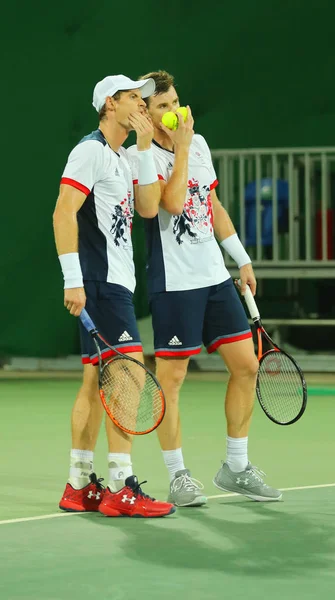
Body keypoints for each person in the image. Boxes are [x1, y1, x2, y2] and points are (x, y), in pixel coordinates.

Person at [127, 70, 282, 507]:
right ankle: (178, 476)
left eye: (175, 101)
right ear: (146, 113)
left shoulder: (200, 144)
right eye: (162, 106)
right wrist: (179, 151)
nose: (174, 111)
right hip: (174, 284)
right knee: (172, 381)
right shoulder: (141, 157)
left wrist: (241, 257)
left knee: (247, 366)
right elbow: (172, 204)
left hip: (215, 278)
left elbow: (210, 205)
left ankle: (236, 468)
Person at [53, 74, 175, 518]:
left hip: (114, 282)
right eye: (133, 99)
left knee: (94, 381)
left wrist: (145, 148)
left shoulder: (122, 156)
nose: (143, 106)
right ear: (109, 104)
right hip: (99, 283)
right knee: (128, 377)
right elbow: (63, 212)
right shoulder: (89, 151)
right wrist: (73, 279)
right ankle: (122, 486)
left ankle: (79, 483)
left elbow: (147, 208)